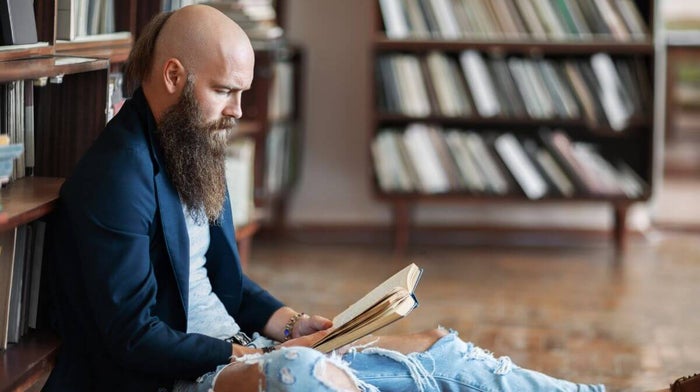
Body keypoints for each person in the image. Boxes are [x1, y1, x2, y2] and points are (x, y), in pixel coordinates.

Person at [43, 4, 632, 391]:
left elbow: (228, 286)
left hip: (240, 352)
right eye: (225, 91)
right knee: (306, 373)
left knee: (440, 350)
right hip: (186, 375)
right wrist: (245, 358)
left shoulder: (190, 149)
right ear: (173, 77)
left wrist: (293, 323)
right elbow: (132, 336)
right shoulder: (115, 179)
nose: (238, 112)